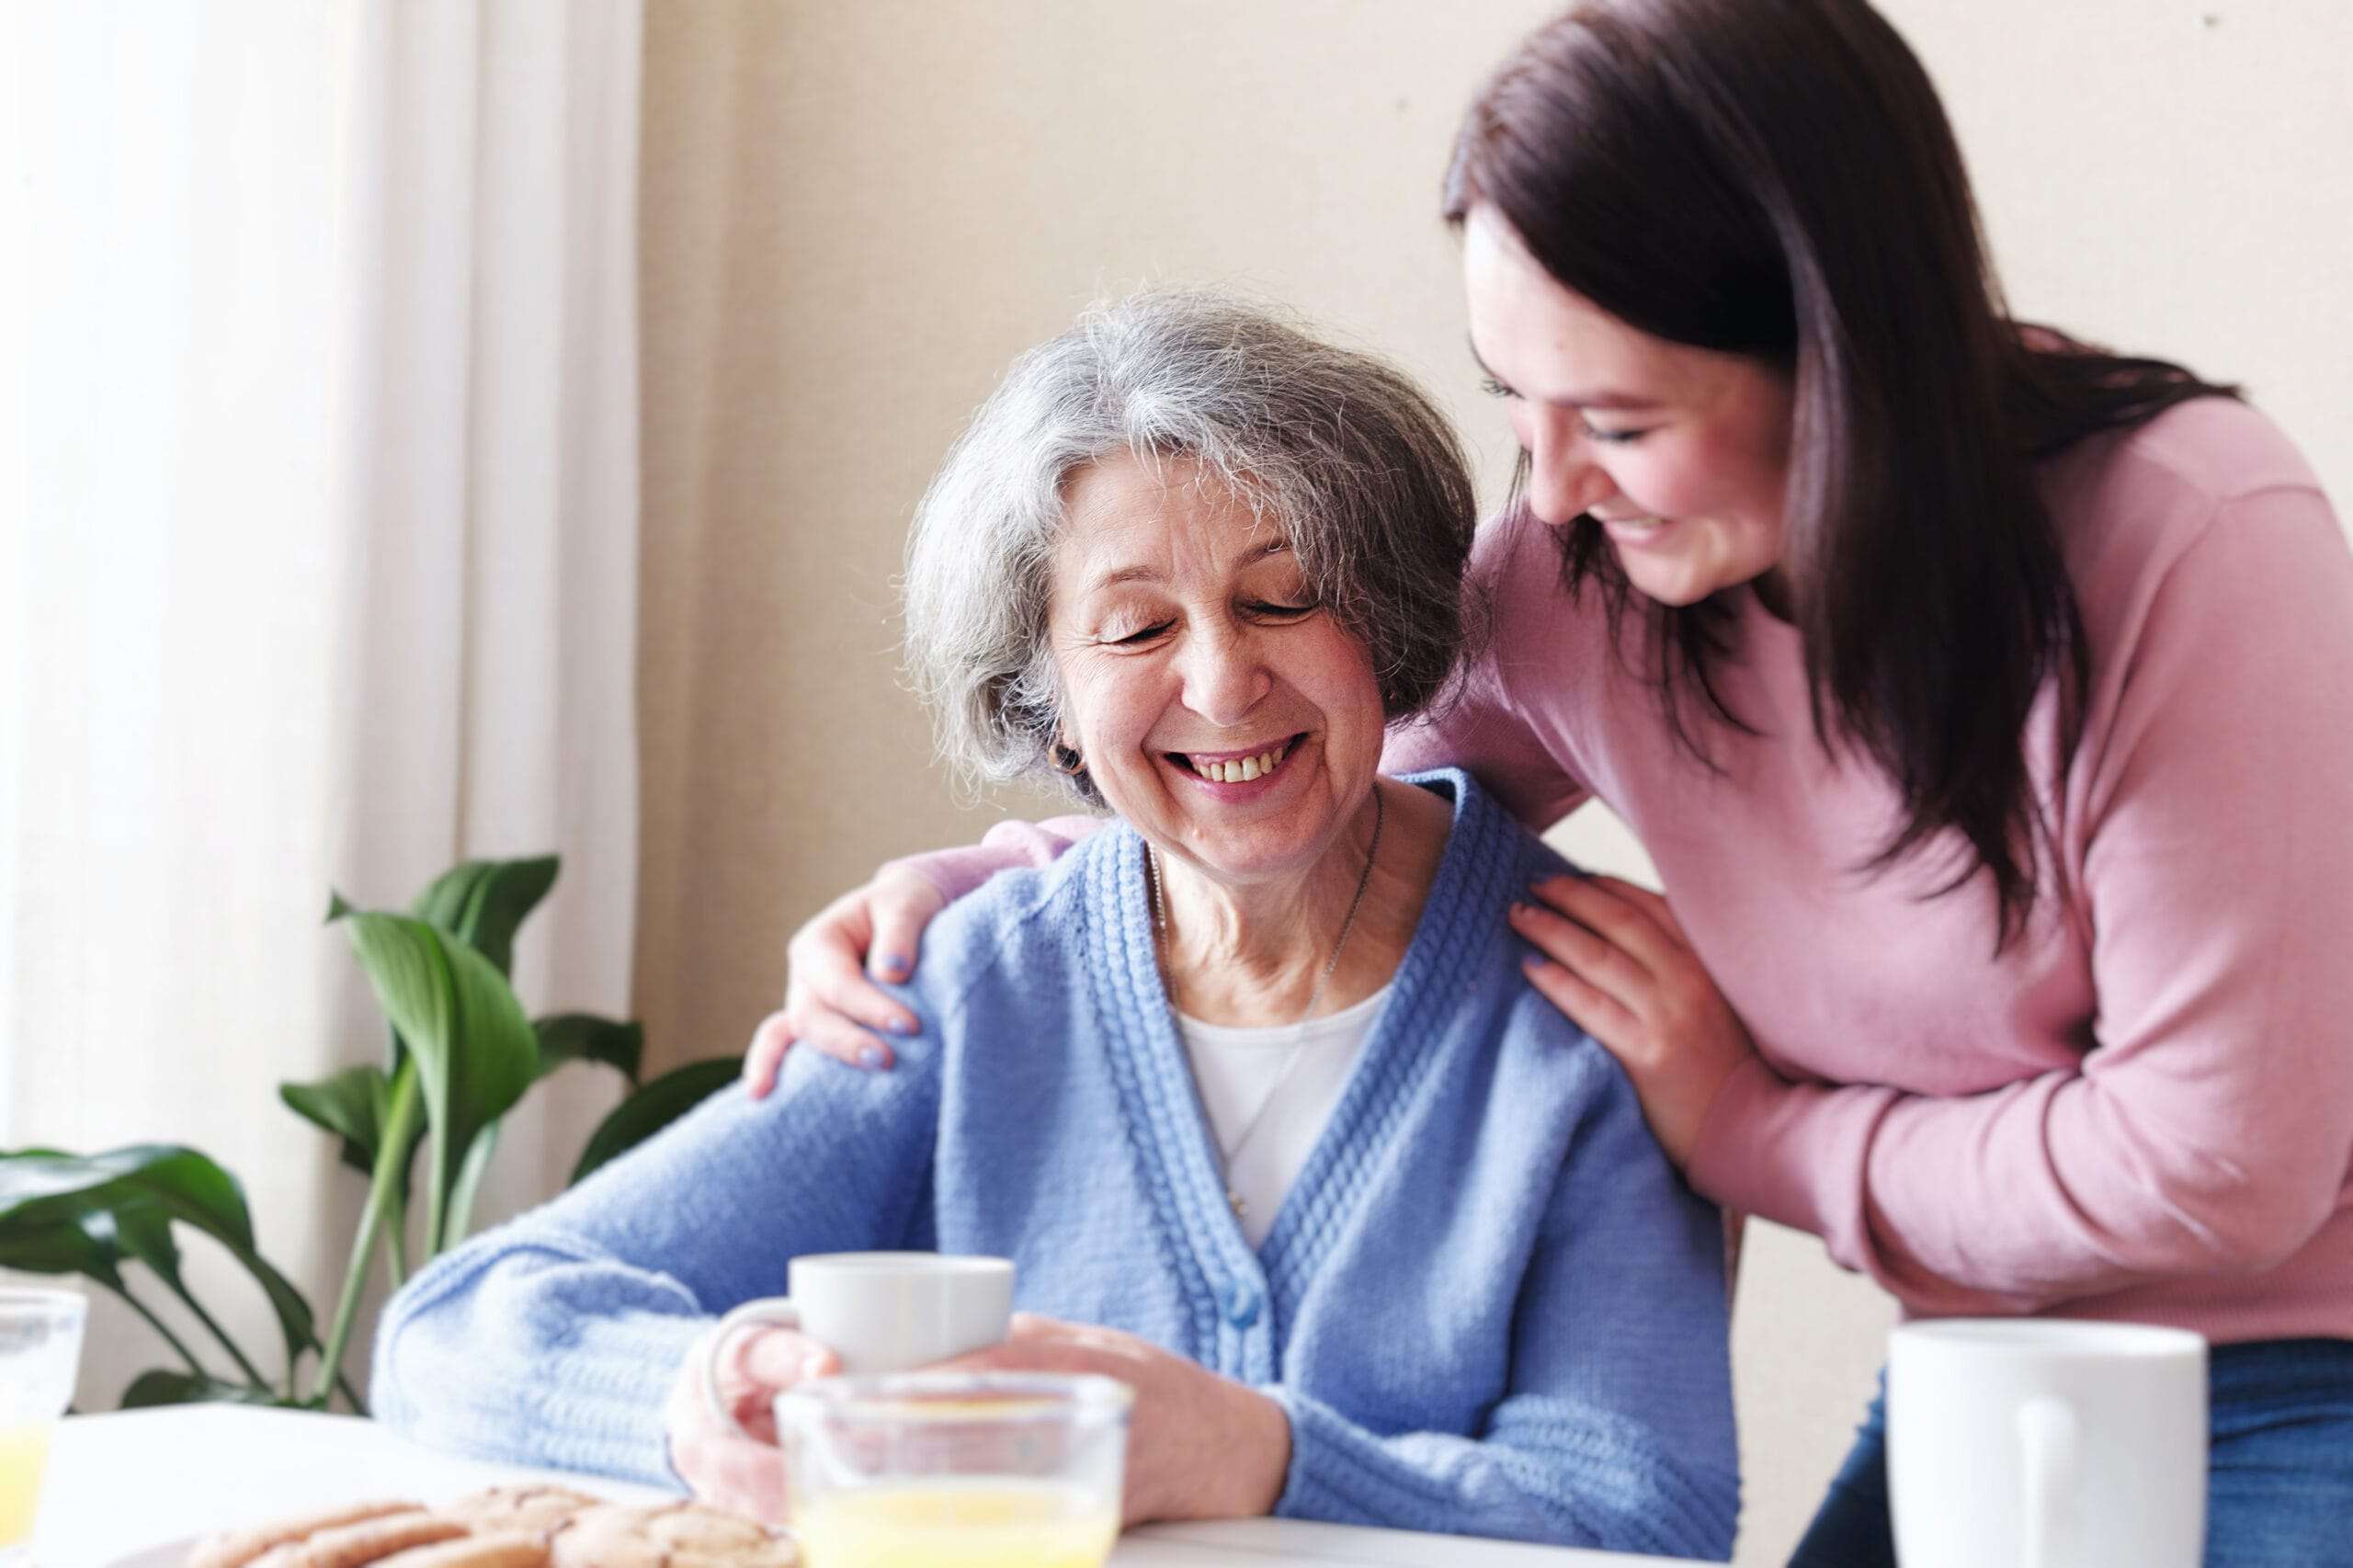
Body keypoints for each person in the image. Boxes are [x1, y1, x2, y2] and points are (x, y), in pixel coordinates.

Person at [746, 4, 2353, 1563]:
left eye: (1622, 419)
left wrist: (1753, 1128)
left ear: (1842, 348)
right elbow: (1303, 780)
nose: (1556, 489)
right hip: (1983, 1369)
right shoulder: (1592, 574)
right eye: (1518, 399)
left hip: (2304, 1370)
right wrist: (987, 886)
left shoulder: (2190, 541)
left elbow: (2221, 1161)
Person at [371, 290, 1740, 1560]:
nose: (1220, 680)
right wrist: (730, 1385)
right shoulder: (963, 983)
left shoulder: (1591, 1002)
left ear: (1377, 616)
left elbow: (1642, 1506)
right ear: (1053, 701)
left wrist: (1249, 1452)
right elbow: (456, 1328)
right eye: (1136, 629)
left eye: (1281, 597)